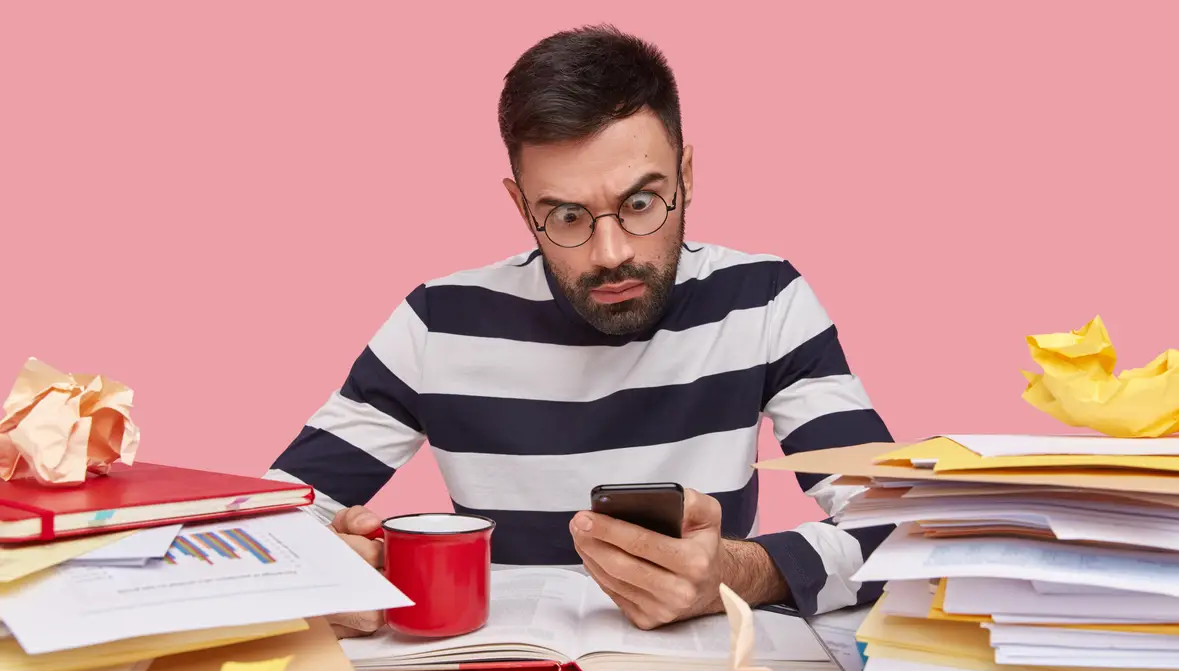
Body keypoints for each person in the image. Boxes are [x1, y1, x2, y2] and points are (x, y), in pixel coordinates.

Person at [265, 24, 894, 639]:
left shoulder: (765, 301)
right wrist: (325, 575)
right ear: (522, 208)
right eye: (566, 215)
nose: (610, 253)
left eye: (641, 203)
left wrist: (738, 573)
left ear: (687, 175)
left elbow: (901, 527)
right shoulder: (437, 323)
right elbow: (260, 530)